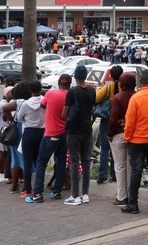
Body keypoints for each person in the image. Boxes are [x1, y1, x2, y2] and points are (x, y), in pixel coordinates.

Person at [122, 69, 148, 214]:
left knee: (136, 171)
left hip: (137, 141)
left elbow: (130, 122)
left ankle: (133, 203)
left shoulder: (136, 98)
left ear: (141, 81)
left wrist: (127, 137)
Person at [28, 75, 71, 203]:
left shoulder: (50, 94)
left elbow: (42, 105)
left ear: (59, 83)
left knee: (41, 162)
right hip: (64, 134)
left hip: (51, 134)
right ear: (69, 84)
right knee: (61, 162)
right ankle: (57, 191)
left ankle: (38, 193)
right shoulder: (70, 96)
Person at [62, 65, 96, 206]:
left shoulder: (72, 92)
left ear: (75, 76)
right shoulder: (92, 91)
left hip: (74, 130)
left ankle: (75, 196)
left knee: (75, 162)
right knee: (86, 160)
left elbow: (65, 113)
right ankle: (85, 194)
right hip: (87, 129)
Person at [109, 72, 137, 206]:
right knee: (130, 166)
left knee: (119, 166)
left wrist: (110, 133)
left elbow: (113, 119)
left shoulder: (117, 98)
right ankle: (131, 194)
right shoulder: (137, 97)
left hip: (119, 135)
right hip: (133, 135)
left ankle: (121, 196)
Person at [95, 65, 123, 184]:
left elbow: (95, 98)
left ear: (110, 75)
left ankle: (102, 175)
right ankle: (114, 174)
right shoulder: (124, 88)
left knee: (105, 147)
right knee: (115, 148)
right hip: (120, 120)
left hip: (107, 118)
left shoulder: (107, 88)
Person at [2, 82, 32, 193]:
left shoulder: (16, 102)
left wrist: (11, 120)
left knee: (15, 159)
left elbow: (5, 108)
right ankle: (26, 185)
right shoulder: (25, 101)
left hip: (16, 130)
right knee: (24, 157)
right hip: (24, 129)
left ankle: (14, 185)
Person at [17, 80, 45, 197]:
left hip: (29, 133)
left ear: (31, 90)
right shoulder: (44, 101)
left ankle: (27, 189)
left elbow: (19, 118)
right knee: (40, 162)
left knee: (27, 162)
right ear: (40, 89)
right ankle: (39, 187)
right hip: (42, 132)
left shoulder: (25, 104)